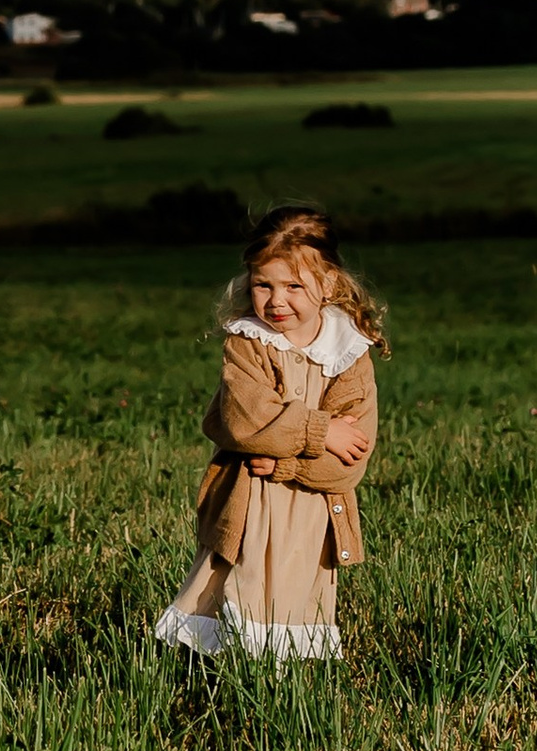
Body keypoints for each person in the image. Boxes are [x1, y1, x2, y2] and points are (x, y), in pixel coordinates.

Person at [155, 202, 384, 664]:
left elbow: (350, 460)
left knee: (292, 611)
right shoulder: (248, 344)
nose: (276, 301)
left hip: (311, 516)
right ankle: (213, 686)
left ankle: (278, 698)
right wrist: (322, 430)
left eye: (294, 286)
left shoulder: (349, 355)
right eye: (264, 285)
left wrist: (286, 460)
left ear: (328, 284)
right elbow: (246, 421)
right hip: (249, 507)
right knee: (229, 602)